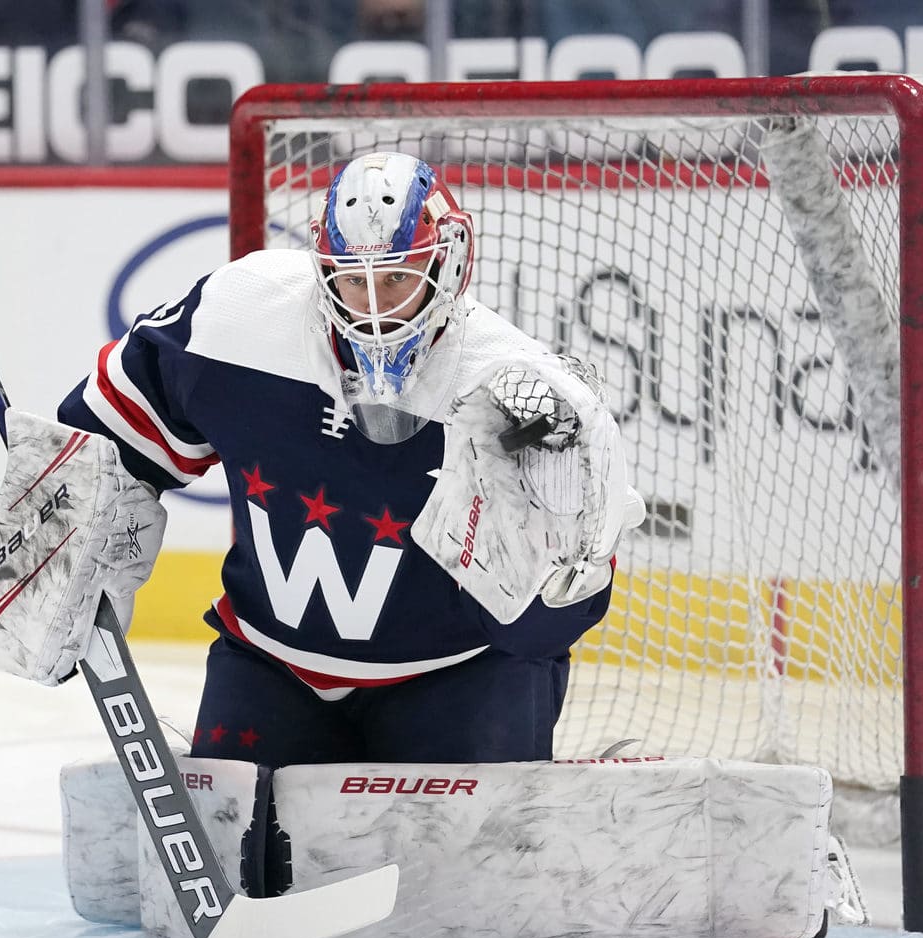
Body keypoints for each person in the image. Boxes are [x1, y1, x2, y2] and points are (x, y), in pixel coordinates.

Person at [42, 151, 636, 768]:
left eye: (399, 278)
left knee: (470, 863)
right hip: (270, 670)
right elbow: (109, 434)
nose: (374, 308)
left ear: (448, 265)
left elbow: (541, 633)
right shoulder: (241, 317)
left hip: (458, 682)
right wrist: (60, 553)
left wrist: (563, 564)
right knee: (234, 857)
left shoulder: (516, 397)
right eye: (354, 280)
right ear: (323, 273)